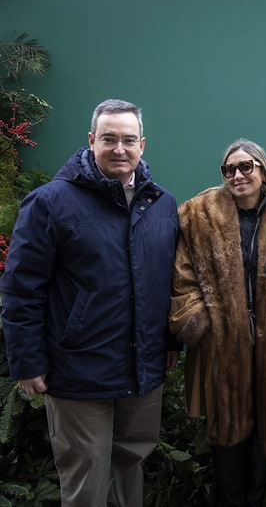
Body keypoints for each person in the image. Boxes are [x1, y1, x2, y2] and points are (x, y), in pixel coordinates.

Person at [0, 99, 180, 506]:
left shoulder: (162, 204)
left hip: (143, 369)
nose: (120, 148)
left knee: (131, 465)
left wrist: (169, 341)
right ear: (91, 140)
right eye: (109, 138)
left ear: (142, 144)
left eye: (129, 140)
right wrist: (27, 362)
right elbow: (21, 289)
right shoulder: (49, 202)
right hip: (78, 369)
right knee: (86, 476)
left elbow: (166, 284)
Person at [168, 139, 266, 506]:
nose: (237, 175)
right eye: (229, 169)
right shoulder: (197, 215)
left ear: (263, 170)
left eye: (246, 166)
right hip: (221, 342)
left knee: (261, 425)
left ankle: (255, 499)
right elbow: (182, 276)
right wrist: (202, 322)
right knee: (225, 426)